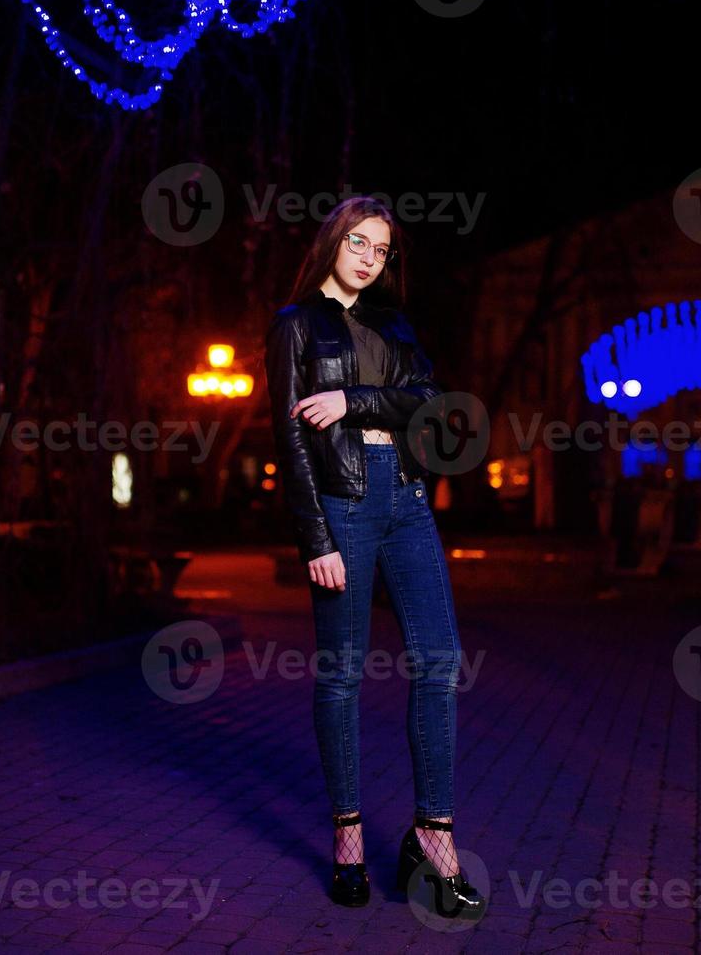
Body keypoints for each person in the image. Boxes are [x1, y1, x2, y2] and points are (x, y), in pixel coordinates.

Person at [263, 196, 485, 920]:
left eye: (380, 249)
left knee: (439, 662)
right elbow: (291, 442)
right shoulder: (294, 325)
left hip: (408, 501)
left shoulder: (393, 323)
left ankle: (433, 841)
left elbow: (430, 399)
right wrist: (315, 540)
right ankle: (349, 843)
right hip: (344, 506)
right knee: (341, 676)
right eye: (356, 241)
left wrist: (353, 397)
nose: (366, 256)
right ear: (332, 241)